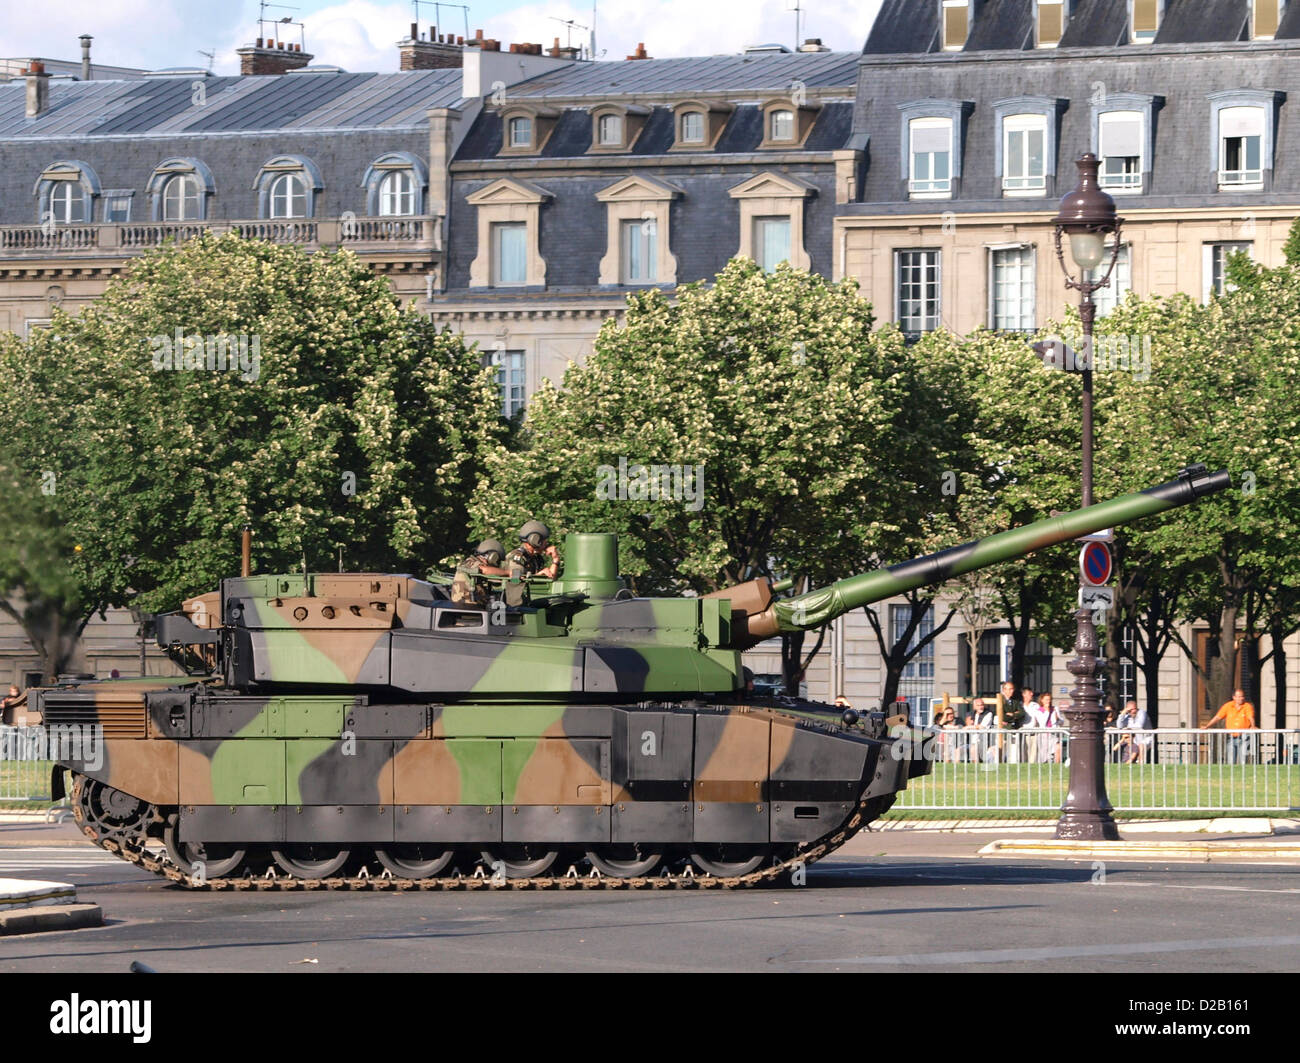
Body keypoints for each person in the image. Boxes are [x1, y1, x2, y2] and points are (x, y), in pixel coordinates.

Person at [503, 521, 562, 605]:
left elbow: (551, 579)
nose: (547, 543)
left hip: (529, 599)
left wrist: (555, 560)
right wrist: (538, 576)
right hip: (515, 603)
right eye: (545, 540)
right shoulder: (517, 557)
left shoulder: (536, 558)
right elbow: (515, 579)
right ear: (536, 540)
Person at [1202, 688, 1257, 764]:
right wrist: (1207, 726)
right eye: (1239, 696)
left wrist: (1253, 726)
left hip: (1244, 737)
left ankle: (1242, 775)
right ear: (1234, 697)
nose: (1241, 698)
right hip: (1231, 737)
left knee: (1243, 761)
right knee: (1230, 761)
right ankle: (1232, 775)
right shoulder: (1228, 706)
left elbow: (1251, 717)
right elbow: (1218, 717)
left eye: (1242, 696)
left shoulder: (1247, 706)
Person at [450, 539, 509, 606]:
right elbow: (484, 570)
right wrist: (508, 572)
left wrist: (515, 578)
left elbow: (497, 581)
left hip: (471, 606)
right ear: (493, 557)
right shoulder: (470, 562)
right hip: (466, 606)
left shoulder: (477, 565)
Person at [1026, 690, 1062, 763]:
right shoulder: (1038, 711)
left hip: (1054, 734)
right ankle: (1044, 766)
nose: (1048, 701)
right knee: (1045, 755)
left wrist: (1057, 718)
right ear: (1042, 700)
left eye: (1049, 699)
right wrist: (1047, 711)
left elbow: (1061, 722)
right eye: (1046, 700)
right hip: (1043, 735)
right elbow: (1042, 722)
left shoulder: (1055, 709)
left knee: (1058, 748)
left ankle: (1057, 766)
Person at [1116, 699, 1153, 764]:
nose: (1133, 711)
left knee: (1141, 745)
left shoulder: (1142, 713)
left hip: (1146, 739)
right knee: (1125, 745)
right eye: (1130, 710)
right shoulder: (1127, 716)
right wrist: (1122, 714)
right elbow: (1119, 726)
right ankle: (1126, 763)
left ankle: (1140, 765)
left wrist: (1128, 728)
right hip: (1135, 740)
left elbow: (1139, 725)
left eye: (1134, 709)